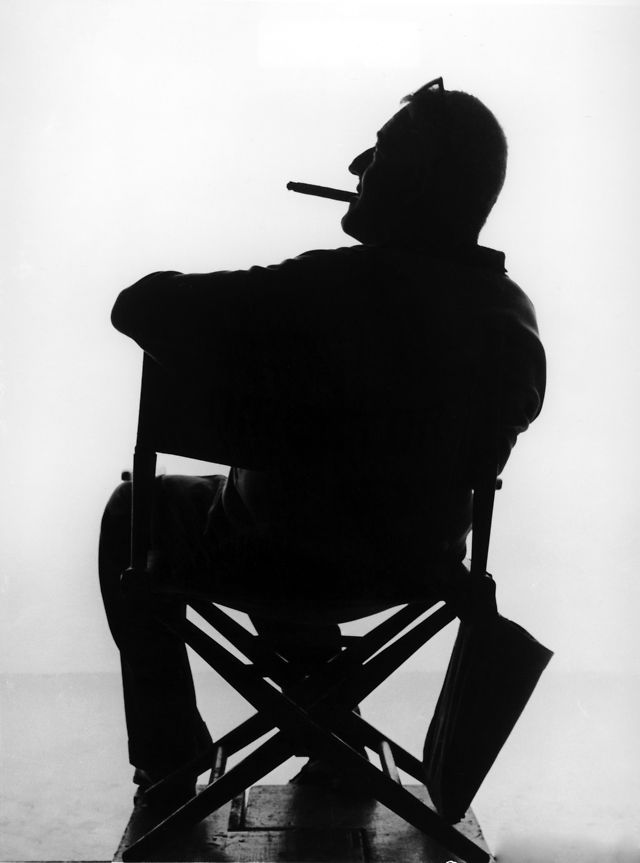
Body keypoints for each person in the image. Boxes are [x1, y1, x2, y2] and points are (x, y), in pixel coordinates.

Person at [99, 78, 546, 804]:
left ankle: (169, 759)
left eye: (383, 151)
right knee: (310, 511)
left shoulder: (324, 288)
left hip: (277, 556)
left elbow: (139, 306)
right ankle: (334, 738)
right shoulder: (512, 318)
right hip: (415, 566)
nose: (357, 165)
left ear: (421, 181)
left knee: (138, 509)